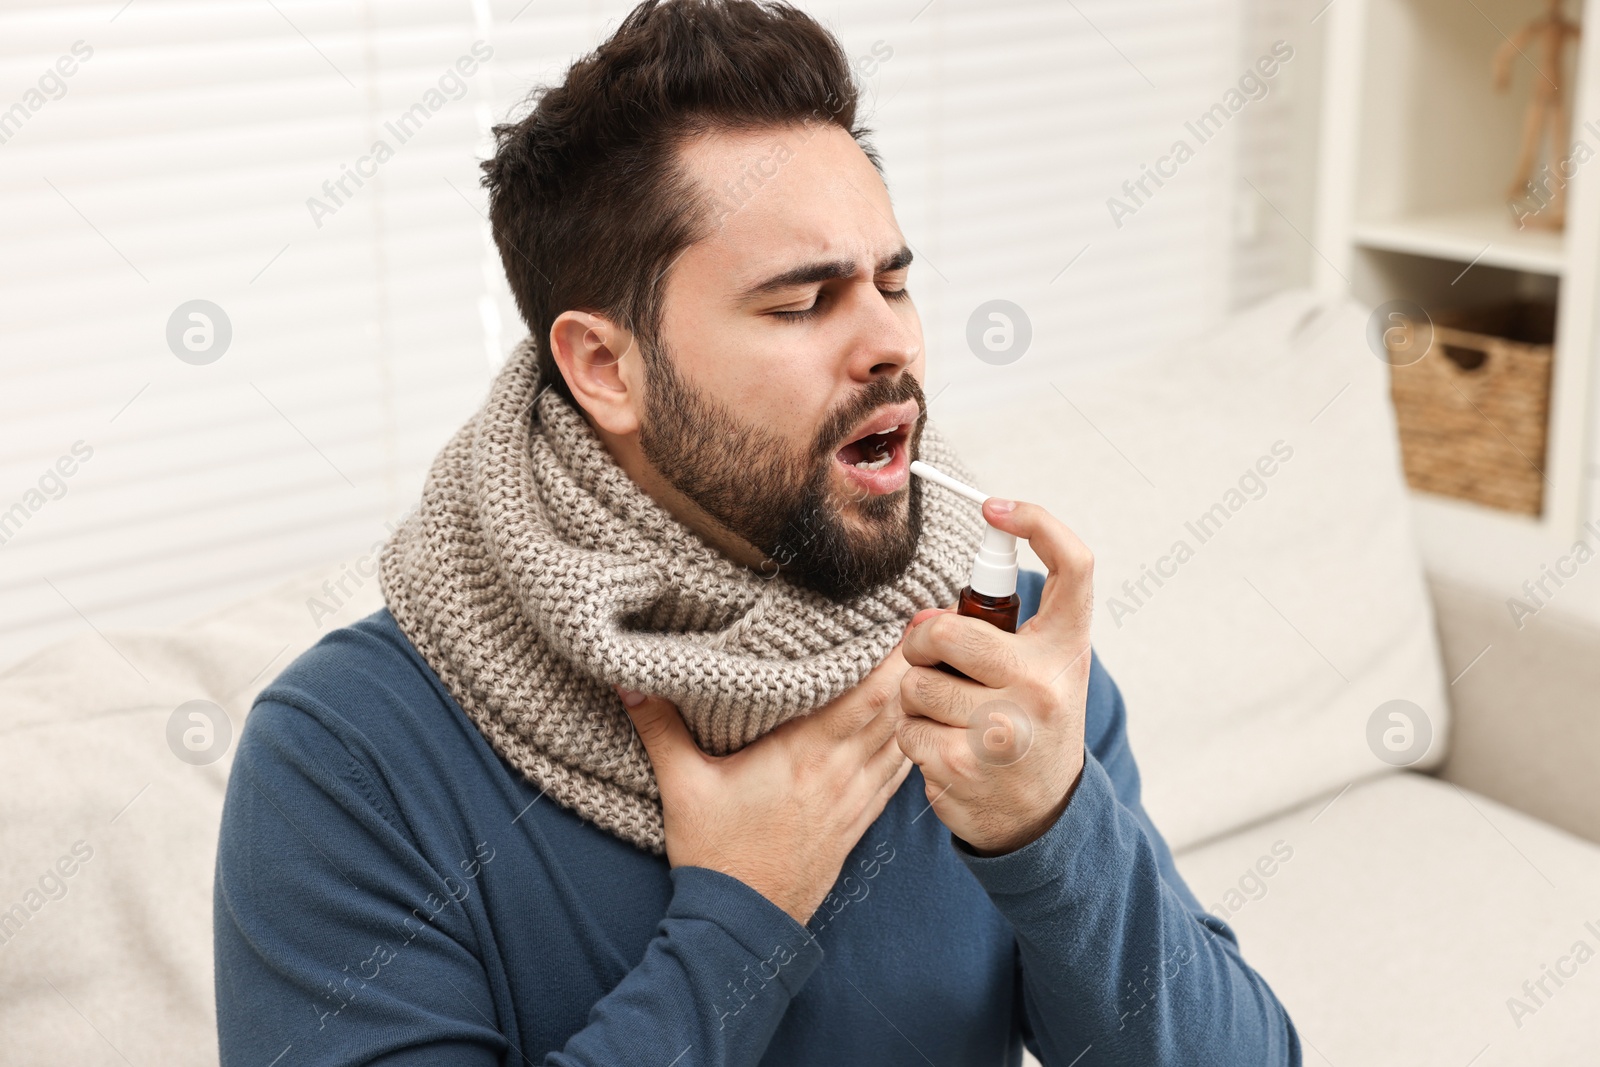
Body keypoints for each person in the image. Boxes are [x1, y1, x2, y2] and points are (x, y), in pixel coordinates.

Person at [213, 2, 1301, 1064]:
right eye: (802, 302)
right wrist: (739, 920)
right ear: (606, 367)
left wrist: (1051, 826)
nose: (891, 342)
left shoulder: (994, 660)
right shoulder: (347, 755)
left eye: (894, 281)